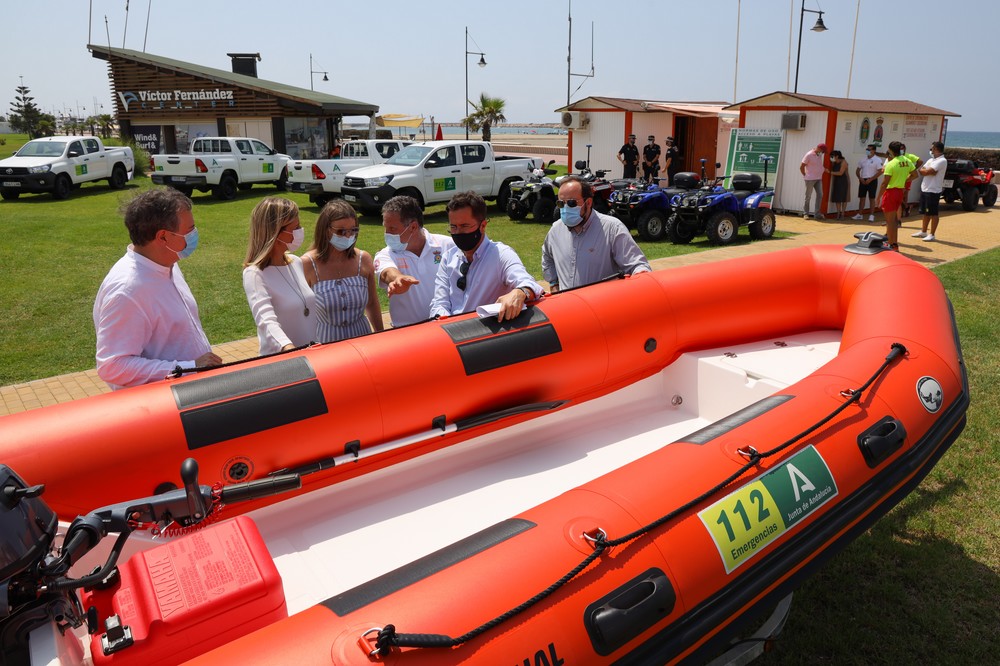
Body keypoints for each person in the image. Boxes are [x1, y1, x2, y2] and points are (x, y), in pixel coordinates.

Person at [93, 187, 221, 390]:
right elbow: (112, 366)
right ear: (163, 237)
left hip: (193, 393)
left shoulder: (167, 263)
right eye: (189, 231)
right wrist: (188, 367)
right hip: (167, 406)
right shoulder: (127, 290)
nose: (194, 235)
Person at [430, 191, 542, 322]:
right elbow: (439, 303)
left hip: (485, 335)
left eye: (464, 226)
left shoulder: (501, 254)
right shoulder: (448, 258)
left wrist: (520, 292)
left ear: (482, 226)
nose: (457, 232)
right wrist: (446, 321)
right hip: (453, 333)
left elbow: (528, 283)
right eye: (453, 227)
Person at [542, 175, 650, 292]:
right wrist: (553, 283)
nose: (565, 208)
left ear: (588, 203)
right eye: (561, 204)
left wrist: (642, 276)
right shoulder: (555, 230)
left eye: (571, 203)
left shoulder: (612, 229)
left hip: (601, 307)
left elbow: (637, 266)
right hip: (567, 307)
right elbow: (547, 257)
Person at [302, 200, 384, 342]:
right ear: (326, 230)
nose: (348, 236)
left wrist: (381, 335)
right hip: (326, 345)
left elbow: (372, 303)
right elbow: (301, 314)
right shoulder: (307, 264)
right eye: (341, 231)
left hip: (363, 340)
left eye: (353, 230)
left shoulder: (363, 259)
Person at [242, 197, 316, 355]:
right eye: (295, 227)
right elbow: (266, 321)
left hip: (310, 356)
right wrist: (289, 349)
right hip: (283, 361)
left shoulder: (296, 262)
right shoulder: (255, 274)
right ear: (275, 232)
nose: (300, 231)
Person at [373, 195, 455, 327]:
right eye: (385, 228)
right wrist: (398, 278)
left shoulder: (448, 245)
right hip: (407, 336)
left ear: (413, 227)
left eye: (392, 229)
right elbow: (386, 272)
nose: (387, 234)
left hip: (446, 328)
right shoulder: (385, 254)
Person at [875, 141, 916, 252]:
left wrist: (878, 197)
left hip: (891, 192)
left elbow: (884, 183)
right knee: (894, 221)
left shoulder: (891, 164)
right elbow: (915, 174)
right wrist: (904, 180)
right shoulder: (907, 161)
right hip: (900, 192)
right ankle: (894, 244)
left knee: (890, 222)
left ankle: (891, 244)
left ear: (891, 150)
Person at [912, 141, 948, 242]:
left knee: (933, 213)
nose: (931, 150)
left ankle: (932, 234)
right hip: (925, 189)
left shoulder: (942, 161)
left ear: (936, 149)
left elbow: (928, 171)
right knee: (926, 212)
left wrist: (927, 171)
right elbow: (922, 171)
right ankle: (923, 231)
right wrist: (926, 171)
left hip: (933, 190)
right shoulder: (931, 160)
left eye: (932, 148)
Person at [853, 144, 883, 221]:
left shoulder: (878, 160)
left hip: (872, 180)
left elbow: (880, 171)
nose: (868, 151)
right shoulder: (863, 159)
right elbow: (857, 170)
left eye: (869, 149)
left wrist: (871, 179)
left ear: (874, 151)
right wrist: (860, 178)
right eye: (867, 149)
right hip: (863, 180)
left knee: (871, 198)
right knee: (862, 197)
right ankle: (860, 214)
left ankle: (871, 215)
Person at [799, 143, 826, 218]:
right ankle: (805, 213)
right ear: (819, 149)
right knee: (808, 196)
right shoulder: (809, 155)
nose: (823, 153)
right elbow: (801, 166)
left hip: (818, 178)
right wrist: (805, 175)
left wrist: (823, 169)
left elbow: (818, 165)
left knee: (820, 195)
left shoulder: (819, 154)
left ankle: (817, 214)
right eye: (823, 151)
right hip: (810, 179)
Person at [826, 150, 850, 220]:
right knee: (837, 198)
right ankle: (838, 213)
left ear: (837, 156)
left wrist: (830, 172)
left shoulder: (844, 162)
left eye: (832, 156)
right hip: (836, 181)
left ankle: (842, 214)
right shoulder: (834, 162)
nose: (831, 157)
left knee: (844, 198)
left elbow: (840, 173)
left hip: (844, 181)